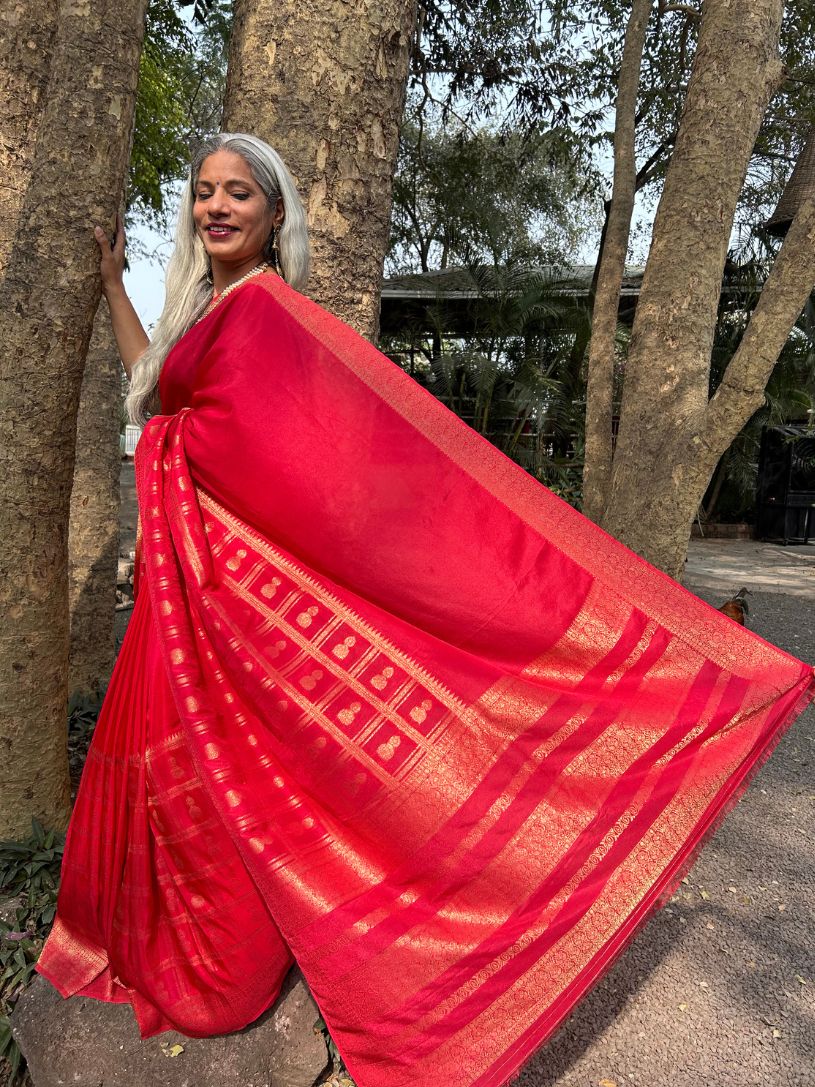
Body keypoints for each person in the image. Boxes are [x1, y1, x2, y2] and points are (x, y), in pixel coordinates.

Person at [37, 132, 814, 1087]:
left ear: (275, 216)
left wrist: (179, 446)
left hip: (234, 599)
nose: (218, 207)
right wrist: (115, 289)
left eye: (239, 193)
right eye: (205, 192)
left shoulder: (268, 314)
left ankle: (253, 964)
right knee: (193, 767)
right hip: (194, 598)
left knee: (256, 775)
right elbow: (157, 397)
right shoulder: (209, 309)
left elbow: (288, 464)